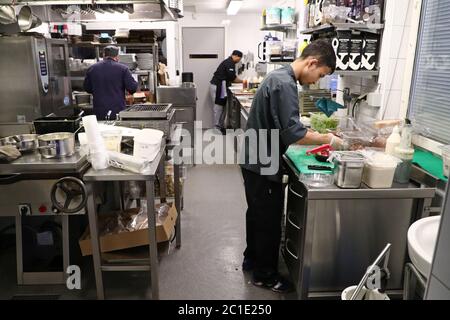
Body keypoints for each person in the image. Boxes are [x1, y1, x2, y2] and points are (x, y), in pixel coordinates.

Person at [240, 39, 343, 293]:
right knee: (268, 220)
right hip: (264, 161)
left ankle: (251, 258)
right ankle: (265, 275)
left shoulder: (280, 77)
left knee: (256, 213)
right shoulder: (285, 84)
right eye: (320, 75)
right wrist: (329, 139)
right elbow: (294, 134)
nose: (315, 81)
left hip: (255, 159)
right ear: (312, 62)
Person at [84, 45, 138, 120]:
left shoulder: (92, 68)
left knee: (102, 130)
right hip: (117, 111)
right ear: (117, 56)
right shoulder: (123, 69)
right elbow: (132, 88)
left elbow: (87, 88)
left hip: (99, 110)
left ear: (103, 55)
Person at [210, 50, 244, 134]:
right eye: (239, 59)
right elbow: (233, 78)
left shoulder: (230, 62)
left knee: (222, 108)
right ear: (235, 56)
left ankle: (220, 127)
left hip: (221, 87)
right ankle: (217, 128)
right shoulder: (229, 63)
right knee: (218, 107)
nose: (239, 61)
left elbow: (231, 78)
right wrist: (244, 81)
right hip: (218, 87)